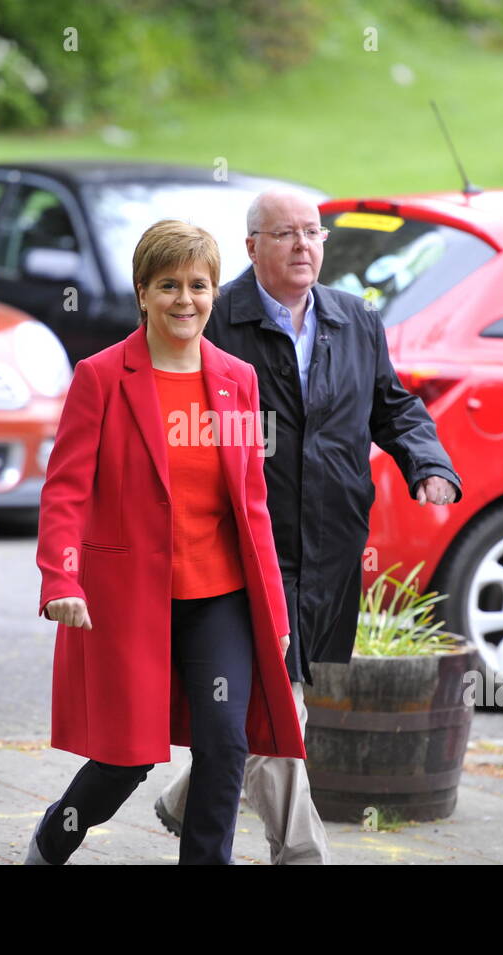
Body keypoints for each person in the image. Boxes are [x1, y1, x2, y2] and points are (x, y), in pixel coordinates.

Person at [155, 189, 464, 864]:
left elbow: (394, 407)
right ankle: (301, 850)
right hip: (243, 553)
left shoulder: (354, 319)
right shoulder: (217, 318)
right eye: (286, 234)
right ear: (251, 246)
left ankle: (187, 798)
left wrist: (428, 464)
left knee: (270, 703)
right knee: (277, 704)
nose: (303, 246)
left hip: (330, 548)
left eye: (312, 233)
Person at [29, 219, 305, 865]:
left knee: (224, 742)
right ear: (143, 293)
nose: (186, 300)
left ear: (214, 292)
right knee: (126, 757)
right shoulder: (102, 376)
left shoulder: (238, 379)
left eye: (199, 285)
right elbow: (65, 491)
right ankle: (51, 840)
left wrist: (275, 611)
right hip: (130, 598)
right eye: (169, 285)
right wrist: (60, 580)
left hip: (222, 597)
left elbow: (252, 505)